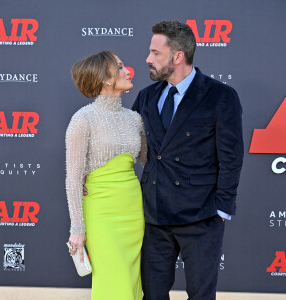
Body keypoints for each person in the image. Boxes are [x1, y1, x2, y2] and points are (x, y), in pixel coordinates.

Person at [132, 20, 244, 300]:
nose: (148, 59)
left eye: (156, 53)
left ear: (178, 56)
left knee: (201, 295)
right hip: (153, 215)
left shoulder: (220, 96)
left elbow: (231, 158)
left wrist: (222, 209)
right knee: (153, 295)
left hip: (201, 216)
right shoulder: (146, 96)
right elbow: (126, 144)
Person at [65, 51, 147, 300]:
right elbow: (73, 179)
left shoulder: (135, 119)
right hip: (101, 213)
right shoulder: (83, 119)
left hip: (133, 210)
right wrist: (77, 228)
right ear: (106, 79)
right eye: (120, 67)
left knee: (132, 282)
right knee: (113, 282)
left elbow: (150, 163)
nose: (128, 71)